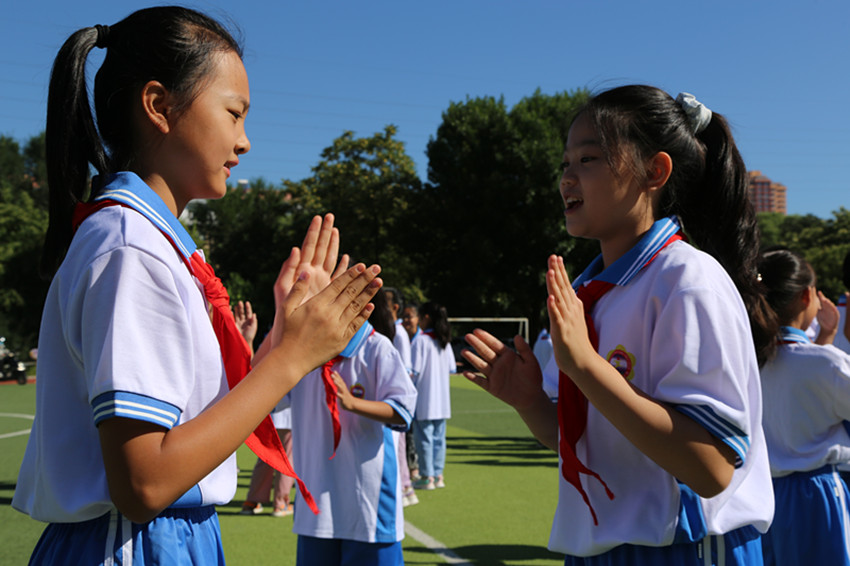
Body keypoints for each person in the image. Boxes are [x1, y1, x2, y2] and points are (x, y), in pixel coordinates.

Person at [12, 7, 382, 564]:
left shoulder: (142, 241)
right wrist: (289, 360)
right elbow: (145, 485)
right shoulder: (131, 248)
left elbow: (190, 432)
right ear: (159, 106)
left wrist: (284, 342)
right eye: (234, 113)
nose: (246, 141)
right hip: (132, 544)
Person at [462, 85, 773, 564]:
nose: (567, 178)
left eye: (588, 159)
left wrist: (586, 366)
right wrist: (529, 403)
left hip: (685, 549)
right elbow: (592, 440)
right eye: (565, 163)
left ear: (655, 171)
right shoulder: (593, 291)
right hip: (601, 549)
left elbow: (710, 468)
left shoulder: (687, 280)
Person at [271, 263, 417, 566]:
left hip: (369, 506)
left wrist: (352, 403)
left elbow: (403, 410)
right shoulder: (299, 354)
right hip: (316, 507)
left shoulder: (377, 348)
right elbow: (266, 396)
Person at [756, 249, 850, 565]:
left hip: (765, 496)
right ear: (806, 295)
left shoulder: (747, 360)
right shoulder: (825, 364)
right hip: (818, 493)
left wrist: (826, 336)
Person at [379, 288, 419, 507]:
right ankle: (404, 486)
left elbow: (404, 367)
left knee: (399, 442)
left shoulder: (399, 332)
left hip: (396, 397)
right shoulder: (391, 330)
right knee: (397, 442)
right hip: (390, 395)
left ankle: (405, 486)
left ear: (395, 307)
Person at [411, 301, 454, 491]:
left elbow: (414, 370)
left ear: (425, 317)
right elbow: (452, 368)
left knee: (424, 439)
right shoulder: (444, 341)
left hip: (425, 398)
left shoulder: (420, 341)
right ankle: (438, 474)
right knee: (439, 439)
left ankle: (427, 475)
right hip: (442, 399)